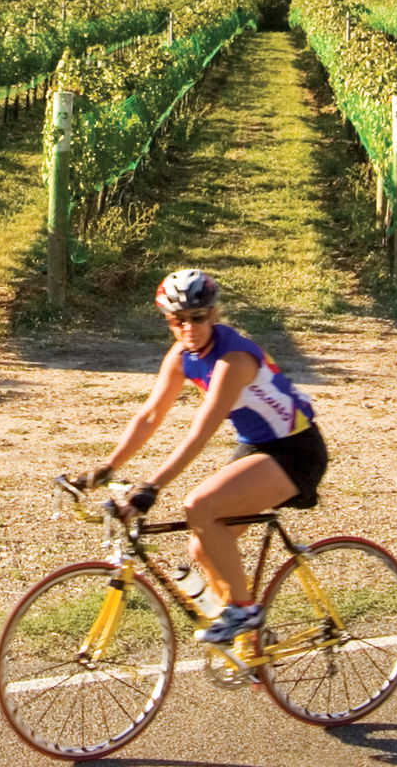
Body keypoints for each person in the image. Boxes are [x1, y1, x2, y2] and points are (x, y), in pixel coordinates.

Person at [68, 268, 328, 649]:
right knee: (202, 546)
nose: (188, 328)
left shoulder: (233, 360)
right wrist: (104, 469)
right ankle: (251, 645)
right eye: (177, 320)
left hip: (296, 449)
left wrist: (151, 488)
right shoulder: (182, 355)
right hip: (256, 445)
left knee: (199, 506)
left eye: (198, 318)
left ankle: (244, 611)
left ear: (215, 314)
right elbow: (150, 416)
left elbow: (199, 433)